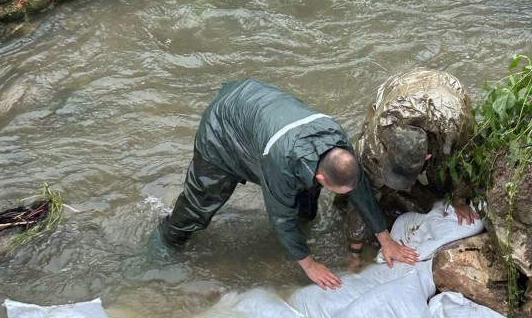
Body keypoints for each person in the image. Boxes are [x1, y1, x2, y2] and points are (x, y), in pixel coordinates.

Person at [157, 78, 418, 289]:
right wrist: (309, 265)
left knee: (305, 208)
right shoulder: (280, 164)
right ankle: (166, 242)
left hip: (266, 114)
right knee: (200, 204)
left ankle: (303, 227)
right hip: (224, 128)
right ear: (321, 177)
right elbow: (279, 218)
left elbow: (357, 187)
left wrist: (385, 239)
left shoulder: (337, 142)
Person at [337, 69, 481, 263]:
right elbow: (361, 190)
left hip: (445, 93)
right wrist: (354, 247)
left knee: (445, 173)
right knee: (368, 180)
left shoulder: (455, 126)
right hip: (397, 89)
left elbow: (466, 157)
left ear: (428, 156)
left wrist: (459, 198)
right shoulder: (378, 136)